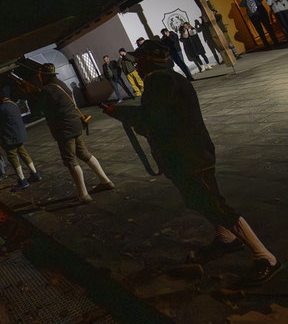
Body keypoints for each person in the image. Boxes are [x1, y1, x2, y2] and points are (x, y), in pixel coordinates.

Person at [102, 40, 281, 286]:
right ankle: (226, 239)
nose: (136, 66)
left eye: (139, 60)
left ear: (148, 61)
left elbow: (151, 119)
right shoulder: (168, 78)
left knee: (213, 202)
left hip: (189, 154)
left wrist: (118, 112)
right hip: (185, 153)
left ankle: (266, 257)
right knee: (199, 200)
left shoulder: (159, 81)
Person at [34, 63, 114, 202]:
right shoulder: (60, 84)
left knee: (70, 160)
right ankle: (105, 181)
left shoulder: (47, 90)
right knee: (84, 153)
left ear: (43, 76)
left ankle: (83, 195)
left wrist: (35, 94)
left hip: (65, 129)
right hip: (75, 124)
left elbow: (40, 110)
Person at [0, 86, 41, 191]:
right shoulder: (13, 104)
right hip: (19, 135)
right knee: (24, 154)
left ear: (1, 97)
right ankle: (35, 174)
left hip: (10, 137)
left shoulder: (3, 107)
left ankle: (22, 180)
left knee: (13, 157)